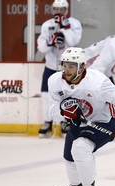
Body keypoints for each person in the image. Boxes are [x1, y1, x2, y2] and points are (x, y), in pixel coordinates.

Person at [47, 47, 115, 186]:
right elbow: (51, 109)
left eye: (71, 66)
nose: (66, 70)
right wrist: (62, 111)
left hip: (103, 120)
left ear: (81, 67)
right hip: (79, 123)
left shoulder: (97, 82)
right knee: (69, 156)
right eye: (64, 65)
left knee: (80, 148)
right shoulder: (54, 81)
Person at [37, 0, 82, 138]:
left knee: (67, 95)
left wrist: (64, 28)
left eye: (62, 9)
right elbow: (41, 47)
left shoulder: (74, 23)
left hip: (67, 68)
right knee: (46, 95)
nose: (59, 11)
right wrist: (50, 41)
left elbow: (74, 41)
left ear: (66, 10)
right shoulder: (47, 25)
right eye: (56, 8)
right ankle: (47, 122)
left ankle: (65, 122)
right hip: (50, 66)